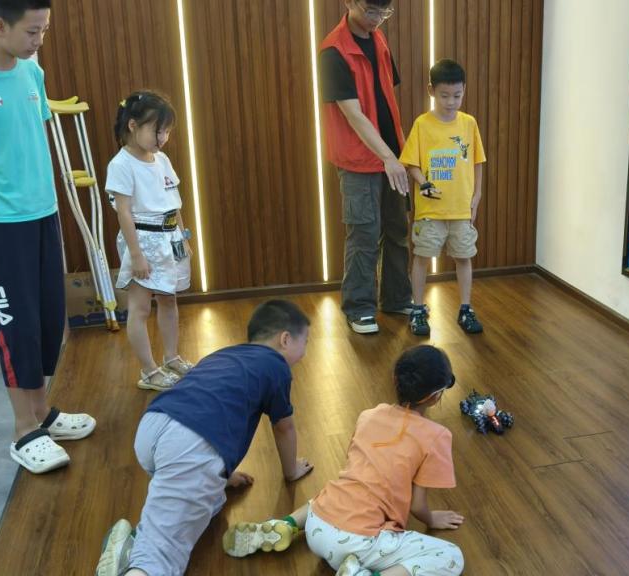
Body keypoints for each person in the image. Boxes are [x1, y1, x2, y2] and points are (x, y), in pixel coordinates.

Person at [0, 0, 96, 474]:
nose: (39, 41)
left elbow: (28, 140)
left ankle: (42, 412)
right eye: (32, 31)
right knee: (13, 327)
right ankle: (23, 430)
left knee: (45, 321)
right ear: (0, 25)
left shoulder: (32, 73)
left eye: (44, 30)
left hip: (42, 214)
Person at [95, 300, 315, 576]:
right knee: (162, 555)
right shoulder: (276, 366)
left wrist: (223, 474)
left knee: (203, 503)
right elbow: (284, 428)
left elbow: (212, 403)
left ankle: (138, 542)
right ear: (285, 339)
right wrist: (291, 470)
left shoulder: (225, 354)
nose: (305, 352)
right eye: (305, 343)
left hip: (154, 425)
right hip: (190, 442)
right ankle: (138, 561)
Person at [224, 345, 465, 576]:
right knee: (450, 556)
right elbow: (417, 506)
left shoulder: (368, 416)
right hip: (358, 544)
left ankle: (287, 524)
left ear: (395, 379)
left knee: (337, 492)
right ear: (435, 397)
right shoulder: (437, 436)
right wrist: (431, 518)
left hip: (317, 525)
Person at [319, 0, 413, 335]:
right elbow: (354, 114)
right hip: (359, 161)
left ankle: (396, 298)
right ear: (349, 2)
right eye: (371, 11)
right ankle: (359, 307)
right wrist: (387, 157)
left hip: (392, 155)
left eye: (384, 13)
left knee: (398, 230)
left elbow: (387, 99)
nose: (377, 19)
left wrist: (399, 153)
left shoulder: (379, 40)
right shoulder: (333, 51)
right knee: (364, 234)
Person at [106, 90, 194, 391]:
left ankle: (171, 357)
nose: (163, 137)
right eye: (157, 130)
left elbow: (174, 202)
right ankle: (149, 370)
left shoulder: (162, 159)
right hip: (143, 240)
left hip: (169, 238)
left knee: (169, 300)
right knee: (140, 308)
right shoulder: (121, 165)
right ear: (133, 125)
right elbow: (124, 213)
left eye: (167, 131)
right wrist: (136, 255)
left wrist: (183, 237)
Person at [400, 59, 485, 336]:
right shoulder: (422, 124)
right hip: (430, 211)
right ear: (431, 91)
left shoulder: (469, 124)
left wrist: (477, 195)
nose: (451, 102)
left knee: (464, 257)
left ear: (464, 90)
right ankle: (417, 309)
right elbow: (411, 163)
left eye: (457, 95)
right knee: (422, 257)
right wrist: (423, 183)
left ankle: (465, 308)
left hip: (461, 209)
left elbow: (477, 161)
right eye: (444, 95)